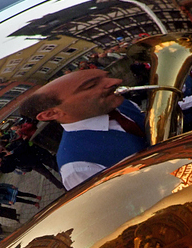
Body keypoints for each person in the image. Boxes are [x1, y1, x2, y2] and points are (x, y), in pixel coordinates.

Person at [20, 69, 148, 190]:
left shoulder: (119, 103)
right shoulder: (76, 167)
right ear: (51, 114)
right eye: (91, 85)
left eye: (106, 77)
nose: (116, 81)